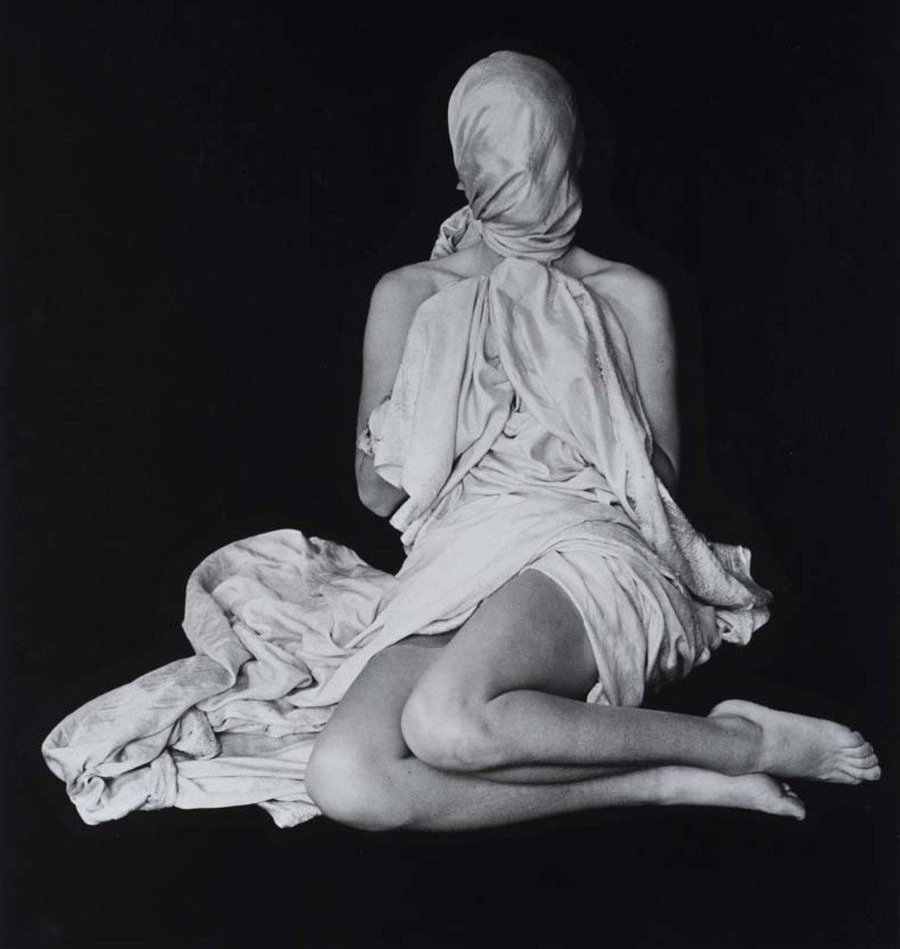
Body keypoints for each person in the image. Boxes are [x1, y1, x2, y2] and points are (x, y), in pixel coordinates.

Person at [42, 51, 879, 831]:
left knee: (445, 722)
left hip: (585, 545)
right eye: (502, 160)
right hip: (454, 562)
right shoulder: (414, 294)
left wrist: (568, 380)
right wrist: (434, 394)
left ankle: (745, 742)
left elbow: (659, 488)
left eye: (539, 158)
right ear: (465, 168)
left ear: (571, 157)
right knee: (347, 776)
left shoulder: (627, 295)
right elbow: (377, 494)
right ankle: (667, 778)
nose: (523, 179)